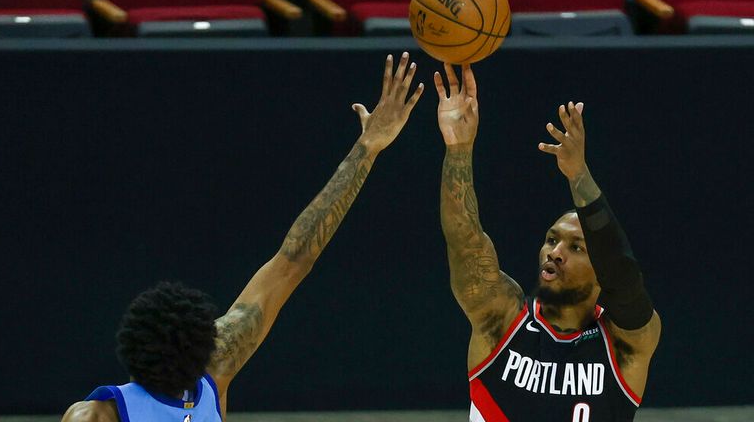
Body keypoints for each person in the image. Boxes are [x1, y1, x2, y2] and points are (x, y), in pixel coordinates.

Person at [61, 52, 424, 422]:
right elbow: (294, 258)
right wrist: (367, 149)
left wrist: (368, 147)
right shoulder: (216, 367)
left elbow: (293, 259)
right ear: (200, 345)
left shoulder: (96, 414)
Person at [435, 63, 661, 421]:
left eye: (575, 247)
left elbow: (622, 272)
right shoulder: (502, 318)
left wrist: (579, 176)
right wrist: (459, 149)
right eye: (552, 240)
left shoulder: (625, 343)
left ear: (600, 267)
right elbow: (464, 241)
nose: (554, 252)